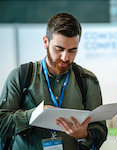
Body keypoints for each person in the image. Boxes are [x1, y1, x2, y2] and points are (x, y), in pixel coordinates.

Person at [0, 12, 107, 150]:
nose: (65, 57)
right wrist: (33, 115)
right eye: (59, 49)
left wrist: (85, 135)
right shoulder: (20, 76)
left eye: (72, 50)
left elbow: (101, 132)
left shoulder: (87, 81)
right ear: (46, 42)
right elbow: (2, 124)